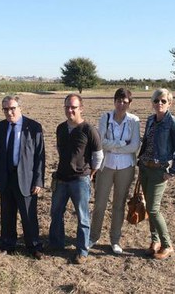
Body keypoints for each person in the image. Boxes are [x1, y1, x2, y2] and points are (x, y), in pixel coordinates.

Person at [48, 94, 103, 264]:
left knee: (82, 216)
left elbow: (98, 156)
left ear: (81, 108)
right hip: (62, 178)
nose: (70, 110)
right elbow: (60, 149)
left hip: (80, 180)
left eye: (73, 107)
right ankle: (57, 244)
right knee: (56, 213)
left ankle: (82, 250)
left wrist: (90, 173)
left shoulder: (89, 130)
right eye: (67, 107)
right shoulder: (60, 128)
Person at [0, 96, 45, 259]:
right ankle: (8, 244)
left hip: (27, 179)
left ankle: (34, 246)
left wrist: (38, 180)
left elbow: (40, 156)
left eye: (12, 108)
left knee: (29, 215)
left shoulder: (34, 127)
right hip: (5, 177)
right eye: (5, 109)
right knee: (7, 213)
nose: (9, 112)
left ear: (20, 108)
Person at [89, 88, 141, 254]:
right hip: (106, 166)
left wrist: (115, 145)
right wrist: (122, 144)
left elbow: (135, 146)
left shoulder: (134, 121)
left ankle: (115, 240)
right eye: (119, 101)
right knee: (100, 203)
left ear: (129, 103)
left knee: (119, 205)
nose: (121, 104)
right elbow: (101, 143)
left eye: (125, 102)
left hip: (126, 167)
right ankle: (93, 236)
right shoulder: (105, 117)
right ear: (114, 101)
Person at [138, 88, 175, 260]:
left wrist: (171, 172)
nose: (159, 104)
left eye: (163, 101)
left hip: (159, 171)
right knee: (150, 207)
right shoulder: (151, 120)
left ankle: (167, 245)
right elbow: (148, 143)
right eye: (156, 100)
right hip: (145, 168)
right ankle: (154, 241)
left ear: (169, 103)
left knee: (154, 209)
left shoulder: (173, 123)